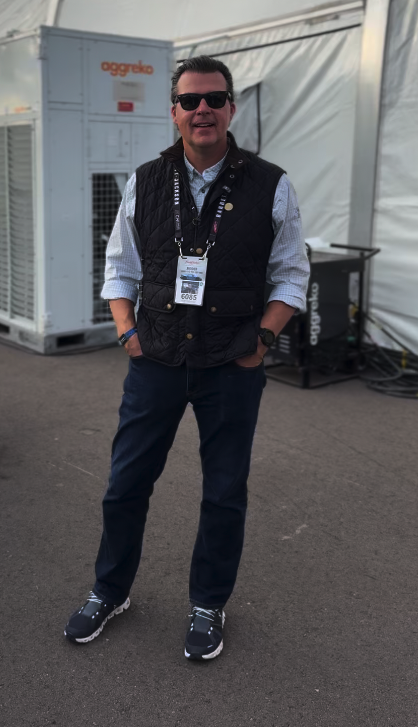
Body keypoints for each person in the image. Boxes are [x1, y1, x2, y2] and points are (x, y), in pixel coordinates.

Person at [64, 55, 309, 660]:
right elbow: (119, 267)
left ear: (231, 108)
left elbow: (291, 276)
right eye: (191, 100)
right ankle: (109, 589)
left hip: (233, 363)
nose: (203, 109)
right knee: (125, 485)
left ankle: (208, 604)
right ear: (173, 111)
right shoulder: (146, 180)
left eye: (215, 98)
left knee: (224, 491)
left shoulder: (270, 183)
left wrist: (263, 341)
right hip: (156, 359)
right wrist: (128, 335)